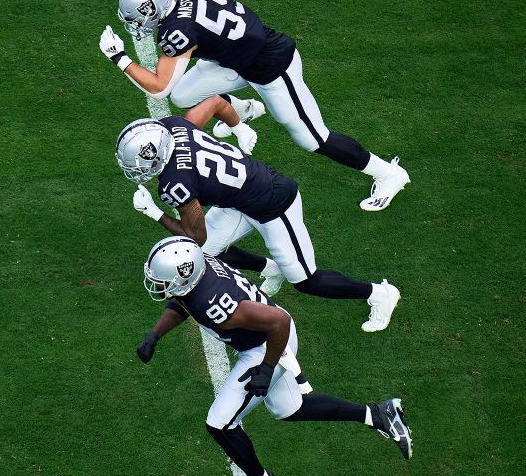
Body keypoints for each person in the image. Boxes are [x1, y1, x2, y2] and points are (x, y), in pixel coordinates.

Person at [98, 0, 411, 211]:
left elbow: (159, 87)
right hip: (235, 60)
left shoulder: (179, 31)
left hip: (273, 67)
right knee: (183, 94)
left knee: (312, 138)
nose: (140, 25)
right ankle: (243, 110)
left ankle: (388, 173)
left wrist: (119, 57)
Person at [136, 236, 412, 476]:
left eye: (163, 280)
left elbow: (279, 323)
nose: (159, 286)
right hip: (264, 337)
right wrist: (155, 334)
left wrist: (266, 369)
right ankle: (378, 414)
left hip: (269, 345)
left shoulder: (214, 301)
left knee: (220, 423)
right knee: (290, 408)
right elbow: (184, 301)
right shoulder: (199, 271)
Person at [115, 98, 401, 332]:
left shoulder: (174, 183)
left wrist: (154, 213)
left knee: (306, 280)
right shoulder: (174, 126)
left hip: (272, 204)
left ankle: (380, 294)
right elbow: (215, 102)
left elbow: (195, 235)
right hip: (241, 196)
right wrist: (237, 127)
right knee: (203, 255)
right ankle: (270, 268)